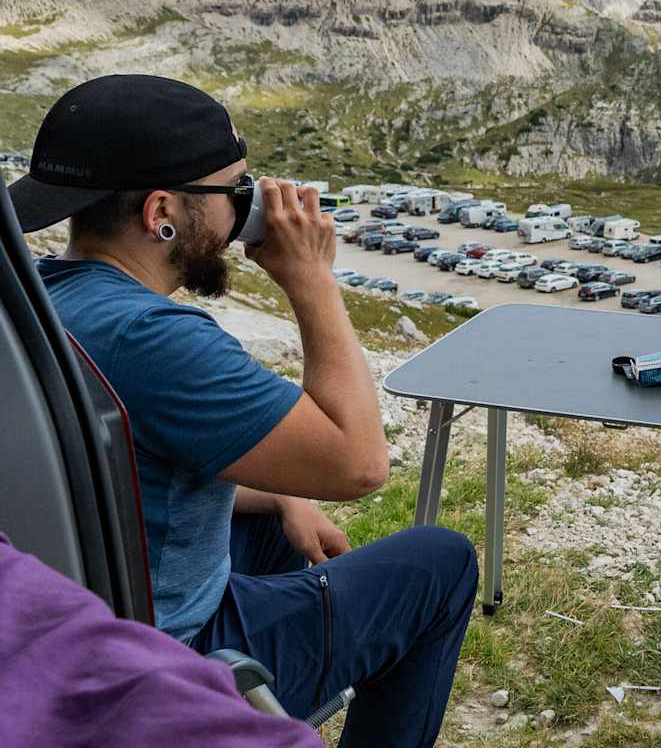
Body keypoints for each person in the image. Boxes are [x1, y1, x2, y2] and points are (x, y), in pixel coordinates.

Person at [7, 75, 478, 748]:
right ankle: (238, 703)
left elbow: (116, 458)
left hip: (89, 597)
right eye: (236, 192)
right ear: (160, 212)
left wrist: (282, 496)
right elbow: (359, 464)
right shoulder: (153, 338)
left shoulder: (42, 301)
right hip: (171, 647)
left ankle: (272, 698)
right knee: (441, 564)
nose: (246, 211)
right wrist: (311, 276)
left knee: (281, 526)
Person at [0, 531, 324, 748]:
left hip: (195, 608)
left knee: (271, 528)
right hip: (185, 637)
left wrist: (279, 499)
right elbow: (360, 467)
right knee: (377, 580)